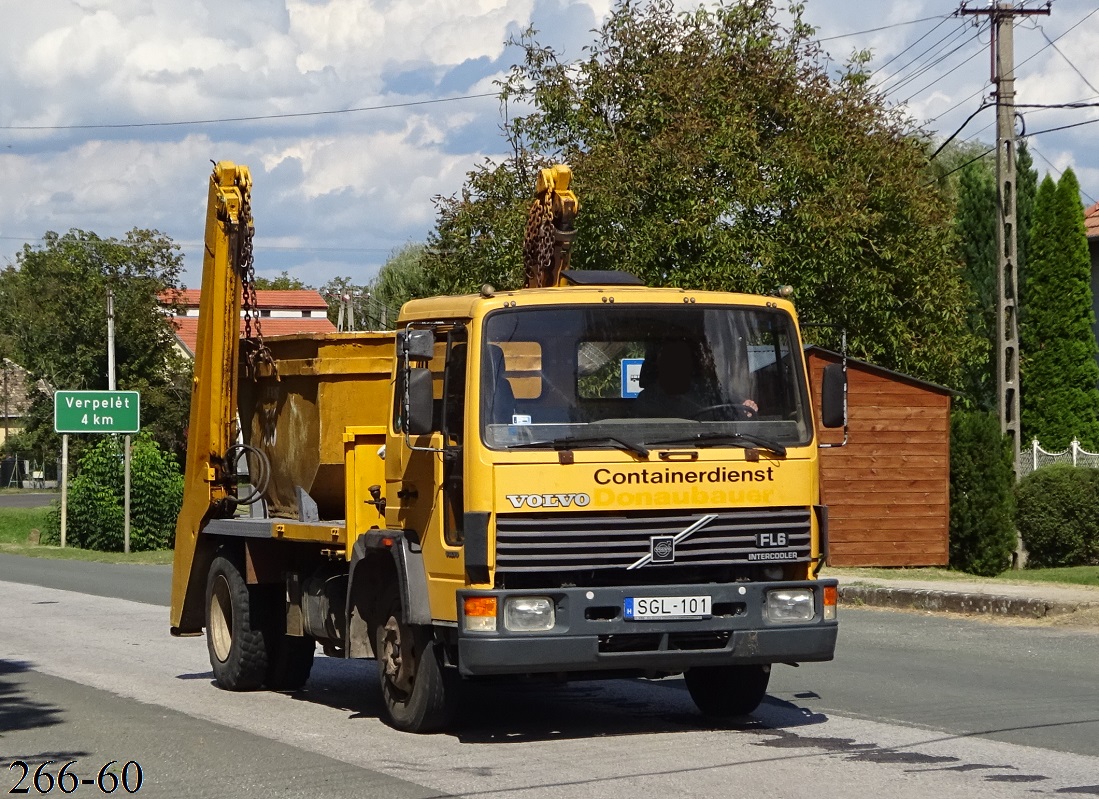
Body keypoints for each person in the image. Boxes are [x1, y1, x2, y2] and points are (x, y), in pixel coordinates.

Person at [634, 339, 757, 419]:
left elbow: (732, 411)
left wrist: (746, 408)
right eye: (670, 361)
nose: (676, 367)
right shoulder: (647, 400)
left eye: (682, 361)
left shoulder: (708, 393)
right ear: (661, 366)